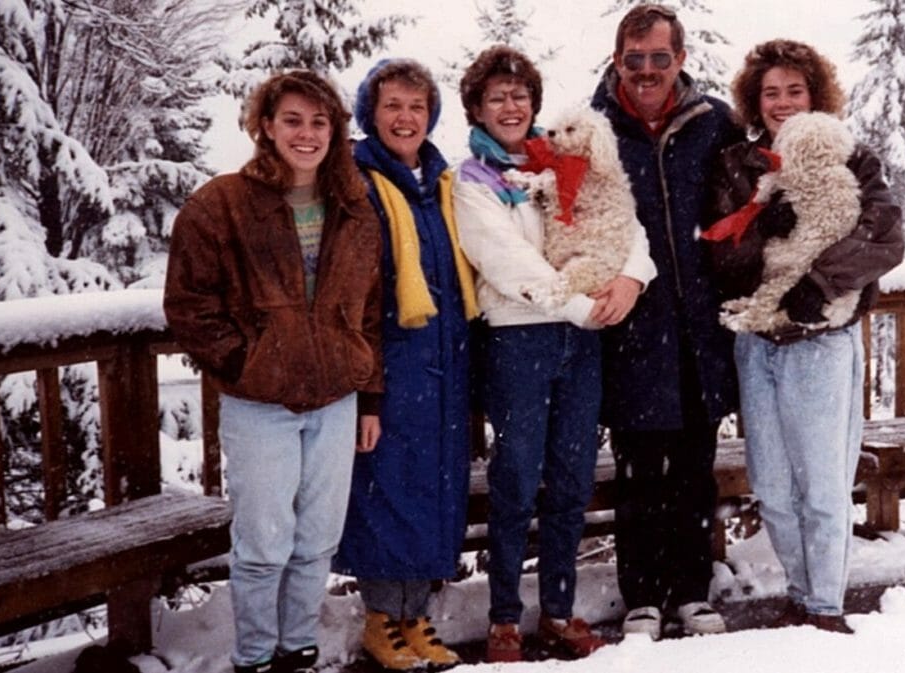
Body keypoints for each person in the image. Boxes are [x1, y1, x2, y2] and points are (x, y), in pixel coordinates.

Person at [164, 70, 382, 673]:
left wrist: (369, 397)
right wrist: (247, 363)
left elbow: (369, 312)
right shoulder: (222, 204)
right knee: (263, 545)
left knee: (316, 540)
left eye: (319, 122)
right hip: (260, 403)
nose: (306, 134)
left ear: (335, 131)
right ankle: (255, 656)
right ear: (266, 125)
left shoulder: (354, 206)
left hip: (337, 399)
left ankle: (298, 650)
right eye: (292, 120)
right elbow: (189, 304)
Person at [453, 45, 657, 663]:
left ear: (533, 103)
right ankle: (505, 617)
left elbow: (625, 221)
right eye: (497, 98)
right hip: (520, 337)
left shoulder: (569, 155)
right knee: (515, 478)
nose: (511, 107)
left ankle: (560, 610)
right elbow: (505, 261)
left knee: (570, 476)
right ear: (479, 109)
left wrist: (631, 279)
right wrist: (579, 306)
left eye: (519, 96)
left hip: (582, 339)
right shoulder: (474, 180)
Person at [705, 39, 904, 633]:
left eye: (795, 90)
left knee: (822, 485)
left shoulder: (850, 156)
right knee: (772, 487)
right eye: (771, 93)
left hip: (820, 341)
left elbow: (884, 235)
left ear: (815, 95)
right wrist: (763, 228)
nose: (783, 103)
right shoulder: (739, 166)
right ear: (754, 100)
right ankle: (799, 592)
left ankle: (826, 607)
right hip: (757, 343)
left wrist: (819, 282)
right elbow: (718, 257)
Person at [589, 3, 739, 639]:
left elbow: (748, 208)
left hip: (701, 329)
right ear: (617, 60)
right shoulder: (595, 130)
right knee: (639, 472)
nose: (646, 71)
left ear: (680, 59)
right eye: (634, 59)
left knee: (694, 469)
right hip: (630, 330)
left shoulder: (715, 125)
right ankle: (643, 596)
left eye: (659, 58)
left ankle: (691, 590)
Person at [330, 59, 478, 671]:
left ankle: (416, 619)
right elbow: (352, 291)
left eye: (417, 107)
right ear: (371, 114)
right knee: (386, 492)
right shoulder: (358, 183)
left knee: (436, 492)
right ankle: (380, 621)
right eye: (392, 105)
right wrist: (367, 388)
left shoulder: (441, 182)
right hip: (392, 367)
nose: (405, 117)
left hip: (447, 365)